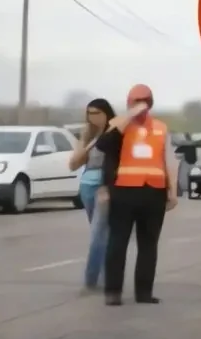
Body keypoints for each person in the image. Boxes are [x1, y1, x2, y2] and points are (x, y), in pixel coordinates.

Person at [94, 84, 177, 306]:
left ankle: (144, 292)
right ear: (129, 103)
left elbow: (169, 160)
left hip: (154, 192)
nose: (140, 106)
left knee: (148, 245)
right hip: (124, 191)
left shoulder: (161, 128)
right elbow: (102, 146)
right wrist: (127, 116)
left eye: (144, 101)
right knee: (117, 242)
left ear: (150, 103)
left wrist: (173, 191)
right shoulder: (119, 126)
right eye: (135, 101)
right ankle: (113, 292)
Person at [68, 97, 115, 293]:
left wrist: (108, 186)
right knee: (100, 233)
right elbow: (73, 164)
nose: (93, 117)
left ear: (106, 113)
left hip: (104, 186)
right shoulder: (88, 134)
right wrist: (86, 142)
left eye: (97, 113)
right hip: (87, 184)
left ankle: (91, 279)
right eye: (89, 113)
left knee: (98, 234)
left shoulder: (114, 132)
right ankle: (106, 276)